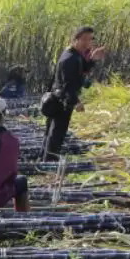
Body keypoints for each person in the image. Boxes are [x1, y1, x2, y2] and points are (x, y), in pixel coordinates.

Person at [43, 25, 106, 160]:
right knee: (56, 132)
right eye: (84, 40)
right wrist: (75, 101)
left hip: (62, 98)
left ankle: (47, 159)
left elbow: (83, 68)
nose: (87, 43)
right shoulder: (69, 58)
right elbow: (67, 85)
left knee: (53, 131)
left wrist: (93, 59)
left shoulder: (75, 54)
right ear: (75, 39)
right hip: (61, 100)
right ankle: (49, 162)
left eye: (90, 40)